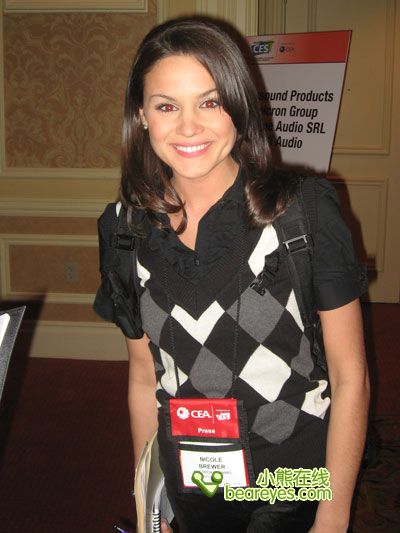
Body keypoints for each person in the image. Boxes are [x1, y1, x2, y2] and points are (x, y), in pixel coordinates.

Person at [95, 18, 370, 533]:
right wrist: (147, 502)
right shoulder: (123, 231)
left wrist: (333, 517)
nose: (189, 127)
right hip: (193, 479)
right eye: (167, 106)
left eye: (210, 102)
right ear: (142, 116)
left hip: (291, 476)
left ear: (239, 107)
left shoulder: (303, 212)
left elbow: (349, 376)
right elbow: (143, 376)